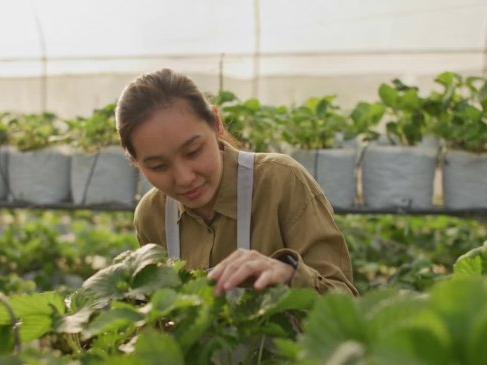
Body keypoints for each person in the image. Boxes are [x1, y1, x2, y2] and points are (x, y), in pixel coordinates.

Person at [116, 68, 357, 297]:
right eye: (158, 167)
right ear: (136, 162)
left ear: (215, 122)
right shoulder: (151, 216)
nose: (184, 178)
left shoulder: (281, 181)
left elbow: (345, 304)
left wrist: (288, 275)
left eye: (193, 152)